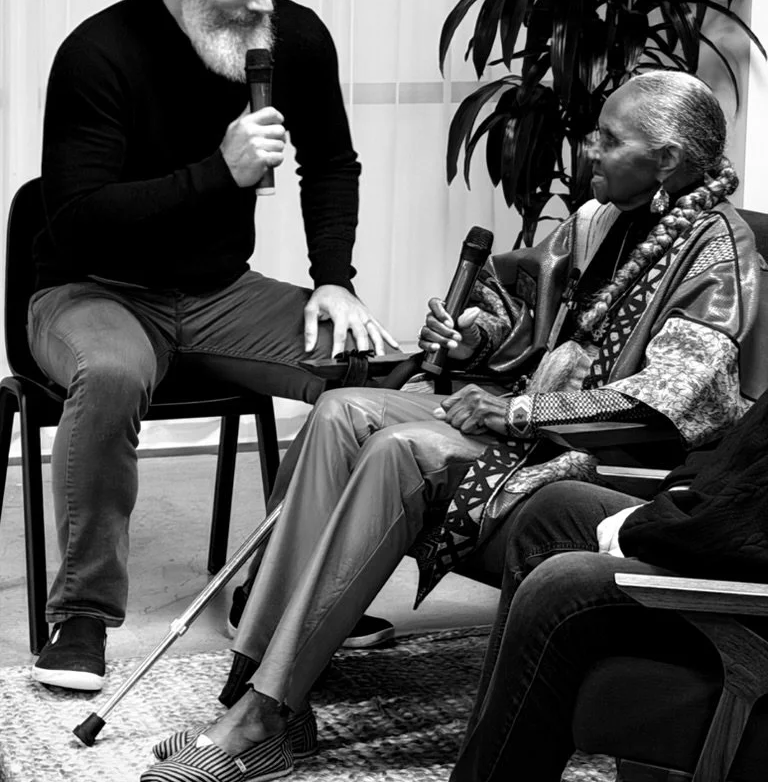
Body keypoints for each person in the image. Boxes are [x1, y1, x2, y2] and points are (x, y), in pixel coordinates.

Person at [143, 69, 766, 782]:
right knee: (342, 410)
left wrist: (523, 409)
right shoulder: (597, 220)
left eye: (611, 140)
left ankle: (260, 713)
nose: (589, 149)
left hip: (597, 463)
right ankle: (261, 688)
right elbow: (522, 318)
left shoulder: (720, 253)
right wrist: (473, 339)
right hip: (528, 423)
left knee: (403, 450)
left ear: (670, 162)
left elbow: (672, 404)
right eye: (594, 131)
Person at [27, 0, 398, 693]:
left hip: (220, 292)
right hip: (93, 289)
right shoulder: (101, 51)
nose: (262, 2)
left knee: (370, 368)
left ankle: (282, 587)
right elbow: (75, 215)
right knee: (114, 376)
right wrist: (216, 174)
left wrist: (334, 280)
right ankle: (82, 618)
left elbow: (332, 165)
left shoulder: (293, 38)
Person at [450, 382, 768, 782]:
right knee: (556, 510)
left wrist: (646, 528)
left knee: (564, 586)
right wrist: (673, 500)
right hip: (723, 526)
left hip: (749, 581)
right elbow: (738, 446)